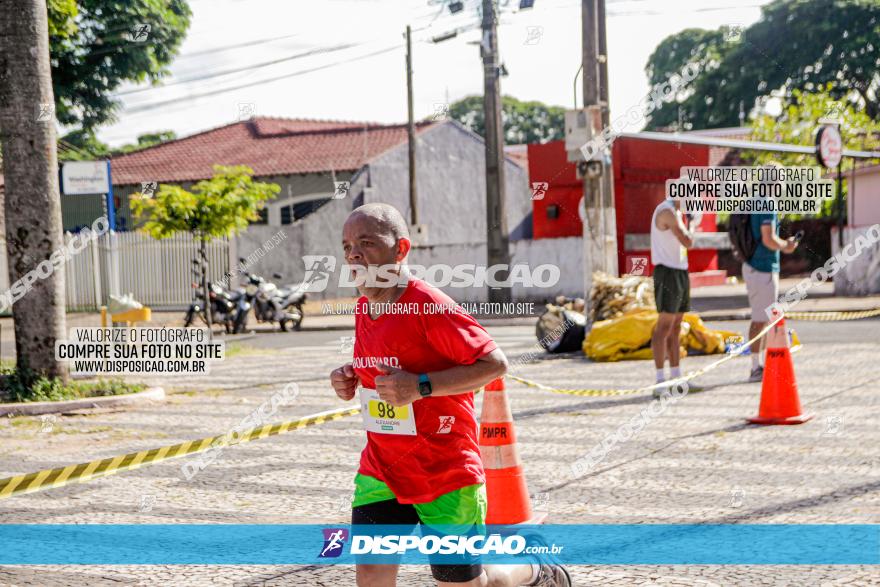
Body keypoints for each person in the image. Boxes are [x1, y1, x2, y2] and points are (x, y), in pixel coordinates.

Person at [330, 203, 570, 587]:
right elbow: (384, 367)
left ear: (400, 249)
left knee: (472, 583)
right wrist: (349, 377)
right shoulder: (364, 308)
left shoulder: (429, 305)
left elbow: (495, 364)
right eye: (346, 246)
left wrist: (420, 386)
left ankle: (533, 567)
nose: (353, 254)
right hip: (382, 469)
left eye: (367, 243)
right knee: (372, 574)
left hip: (443, 471)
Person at [743, 208, 798, 382]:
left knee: (763, 318)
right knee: (762, 319)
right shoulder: (766, 204)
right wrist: (786, 246)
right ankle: (756, 368)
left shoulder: (755, 202)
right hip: (762, 269)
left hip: (754, 267)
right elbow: (768, 239)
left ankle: (759, 365)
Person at [649, 198, 697, 397]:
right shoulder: (666, 211)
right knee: (663, 327)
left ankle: (677, 378)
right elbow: (688, 241)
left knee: (676, 327)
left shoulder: (677, 212)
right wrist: (692, 223)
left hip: (680, 270)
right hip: (667, 273)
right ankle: (660, 381)